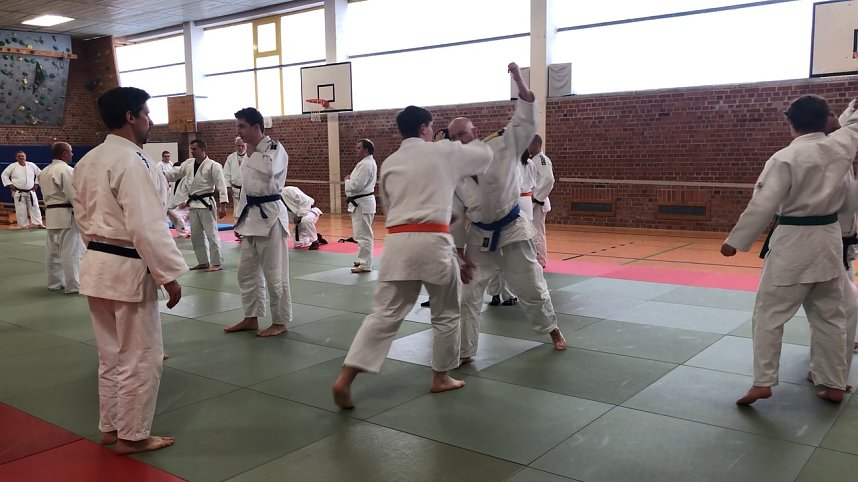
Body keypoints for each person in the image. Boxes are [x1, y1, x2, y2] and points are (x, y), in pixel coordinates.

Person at [331, 105, 493, 409]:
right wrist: (471, 139)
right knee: (446, 313)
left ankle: (345, 379)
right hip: (433, 242)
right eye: (431, 127)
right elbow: (485, 156)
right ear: (424, 127)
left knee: (383, 315)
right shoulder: (443, 151)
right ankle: (440, 378)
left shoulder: (390, 162)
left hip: (398, 243)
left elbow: (391, 208)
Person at [721, 94, 858, 405]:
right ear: (827, 120)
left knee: (769, 314)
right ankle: (834, 383)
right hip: (828, 241)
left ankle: (763, 382)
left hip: (793, 244)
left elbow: (762, 204)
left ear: (790, 123)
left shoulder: (784, 158)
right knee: (831, 317)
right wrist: (851, 111)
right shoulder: (842, 146)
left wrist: (736, 241)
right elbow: (853, 129)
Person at [72, 86, 187, 454]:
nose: (150, 120)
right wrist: (167, 273)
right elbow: (145, 224)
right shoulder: (133, 160)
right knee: (141, 356)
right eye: (147, 113)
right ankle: (132, 435)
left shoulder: (88, 160)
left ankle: (110, 427)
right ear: (130, 116)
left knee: (110, 354)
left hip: (96, 266)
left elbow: (82, 219)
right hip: (128, 270)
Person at [450, 63, 567, 363]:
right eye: (454, 138)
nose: (458, 141)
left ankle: (551, 328)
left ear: (474, 133)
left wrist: (518, 78)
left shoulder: (502, 145)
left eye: (463, 134)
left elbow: (526, 113)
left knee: (531, 285)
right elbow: (454, 215)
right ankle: (465, 352)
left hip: (512, 227)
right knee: (469, 295)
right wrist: (460, 252)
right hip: (479, 236)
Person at [223, 107, 292, 337]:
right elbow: (246, 189)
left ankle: (280, 321)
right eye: (238, 126)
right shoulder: (249, 154)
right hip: (251, 216)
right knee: (247, 272)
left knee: (275, 273)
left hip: (270, 215)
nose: (239, 131)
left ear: (256, 127)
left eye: (242, 126)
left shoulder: (274, 148)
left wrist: (251, 153)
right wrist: (238, 218)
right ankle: (251, 317)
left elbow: (270, 169)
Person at [165, 139, 229, 271]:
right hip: (193, 204)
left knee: (211, 234)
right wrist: (158, 174)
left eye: (194, 149)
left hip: (207, 204)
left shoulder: (213, 165)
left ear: (203, 149)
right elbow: (175, 174)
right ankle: (203, 261)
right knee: (196, 235)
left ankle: (216, 262)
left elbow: (221, 186)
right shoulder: (188, 163)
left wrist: (223, 205)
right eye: (191, 148)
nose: (192, 151)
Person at [38, 142, 84, 294]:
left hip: (51, 214)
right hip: (66, 214)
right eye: (70, 152)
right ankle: (73, 285)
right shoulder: (66, 170)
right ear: (64, 153)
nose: (72, 154)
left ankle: (54, 283)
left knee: (53, 252)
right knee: (71, 251)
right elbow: (73, 195)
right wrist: (83, 213)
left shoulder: (44, 171)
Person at [345, 139, 377, 273]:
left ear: (366, 150)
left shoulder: (366, 165)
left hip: (362, 203)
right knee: (361, 234)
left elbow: (357, 185)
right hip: (362, 203)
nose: (356, 150)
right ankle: (362, 259)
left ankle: (365, 264)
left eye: (358, 148)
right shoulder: (366, 163)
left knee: (364, 235)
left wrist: (347, 181)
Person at [529, 135, 555, 268]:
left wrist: (536, 198)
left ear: (535, 145)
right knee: (532, 231)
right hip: (533, 202)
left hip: (538, 203)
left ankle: (540, 262)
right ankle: (534, 259)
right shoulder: (533, 160)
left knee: (537, 232)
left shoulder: (542, 160)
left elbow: (549, 180)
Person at [2, 151, 44, 229]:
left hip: (31, 191)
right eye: (19, 156)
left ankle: (37, 223)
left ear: (25, 157)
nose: (21, 157)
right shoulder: (12, 166)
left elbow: (40, 174)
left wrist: (36, 184)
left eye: (22, 156)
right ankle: (23, 225)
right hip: (18, 192)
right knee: (21, 209)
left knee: (35, 207)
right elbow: (4, 175)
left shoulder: (31, 165)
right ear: (16, 158)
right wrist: (9, 184)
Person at [281, 185, 325, 250]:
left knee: (306, 219)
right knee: (299, 244)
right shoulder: (276, 201)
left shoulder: (288, 190)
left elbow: (305, 201)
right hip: (298, 219)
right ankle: (313, 237)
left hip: (310, 211)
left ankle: (315, 241)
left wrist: (299, 216)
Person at [157, 151, 189, 238]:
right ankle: (184, 230)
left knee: (178, 216)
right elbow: (172, 195)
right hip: (178, 206)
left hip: (188, 205)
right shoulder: (173, 181)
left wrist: (186, 202)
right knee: (170, 212)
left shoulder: (187, 179)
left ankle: (185, 231)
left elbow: (193, 193)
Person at [223, 136, 248, 240]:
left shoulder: (251, 156)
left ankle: (247, 231)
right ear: (235, 146)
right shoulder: (231, 158)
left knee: (247, 210)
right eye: (239, 146)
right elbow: (226, 174)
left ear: (246, 145)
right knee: (237, 210)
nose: (241, 148)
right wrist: (228, 187)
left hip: (248, 189)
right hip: (236, 188)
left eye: (243, 146)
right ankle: (238, 230)